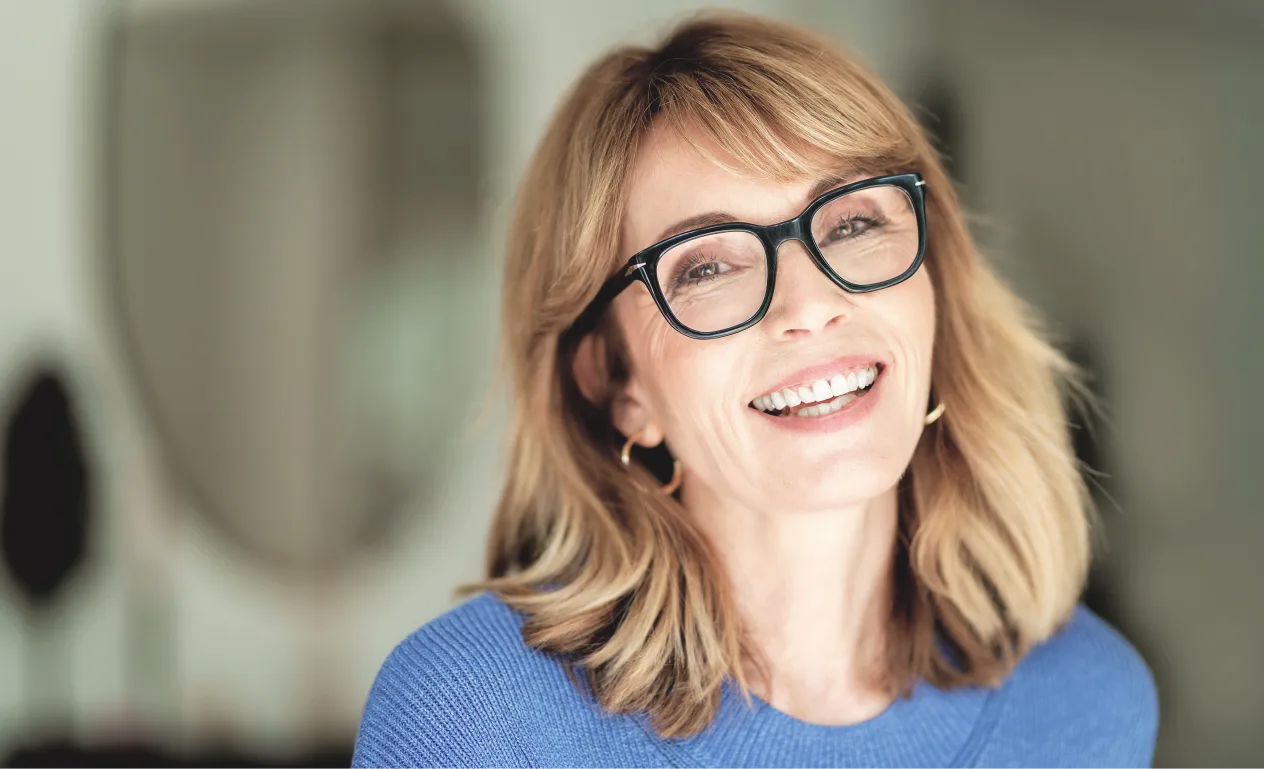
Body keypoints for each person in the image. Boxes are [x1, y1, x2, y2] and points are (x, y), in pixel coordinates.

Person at [352, 11, 1158, 768]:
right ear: (618, 383)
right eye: (706, 266)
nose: (808, 306)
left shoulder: (1089, 703)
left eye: (852, 222)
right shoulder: (472, 720)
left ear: (934, 288)